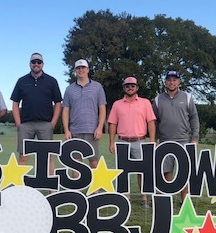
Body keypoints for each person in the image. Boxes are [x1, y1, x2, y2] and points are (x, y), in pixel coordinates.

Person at [107, 76, 156, 206]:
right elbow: (113, 124)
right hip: (122, 142)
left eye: (132, 86)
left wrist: (152, 140)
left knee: (142, 171)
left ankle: (144, 198)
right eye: (127, 86)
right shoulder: (117, 104)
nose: (130, 88)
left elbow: (151, 122)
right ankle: (126, 197)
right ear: (124, 88)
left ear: (137, 88)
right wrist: (111, 142)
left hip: (139, 141)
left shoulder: (145, 103)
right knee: (123, 172)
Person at [152, 69, 199, 202]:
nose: (171, 82)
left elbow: (194, 118)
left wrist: (195, 138)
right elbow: (154, 121)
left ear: (179, 82)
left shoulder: (187, 97)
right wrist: (154, 140)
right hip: (165, 140)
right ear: (165, 82)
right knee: (166, 171)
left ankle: (184, 199)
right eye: (169, 80)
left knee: (184, 172)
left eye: (174, 80)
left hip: (184, 140)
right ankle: (168, 198)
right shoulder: (158, 99)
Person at [10, 53, 63, 171]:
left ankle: (51, 183)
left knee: (48, 157)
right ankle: (20, 182)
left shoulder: (51, 81)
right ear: (30, 64)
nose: (36, 64)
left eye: (39, 62)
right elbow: (15, 103)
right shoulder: (21, 81)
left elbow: (58, 103)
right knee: (23, 157)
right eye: (33, 62)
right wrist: (18, 124)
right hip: (26, 125)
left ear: (43, 64)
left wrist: (53, 123)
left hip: (45, 124)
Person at [61, 59, 107, 168]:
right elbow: (65, 110)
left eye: (83, 67)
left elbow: (102, 108)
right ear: (75, 70)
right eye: (78, 68)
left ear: (88, 69)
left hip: (92, 131)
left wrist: (100, 127)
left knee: (94, 162)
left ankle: (94, 181)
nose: (81, 70)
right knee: (76, 164)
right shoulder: (69, 89)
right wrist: (66, 130)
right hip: (75, 132)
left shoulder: (97, 87)